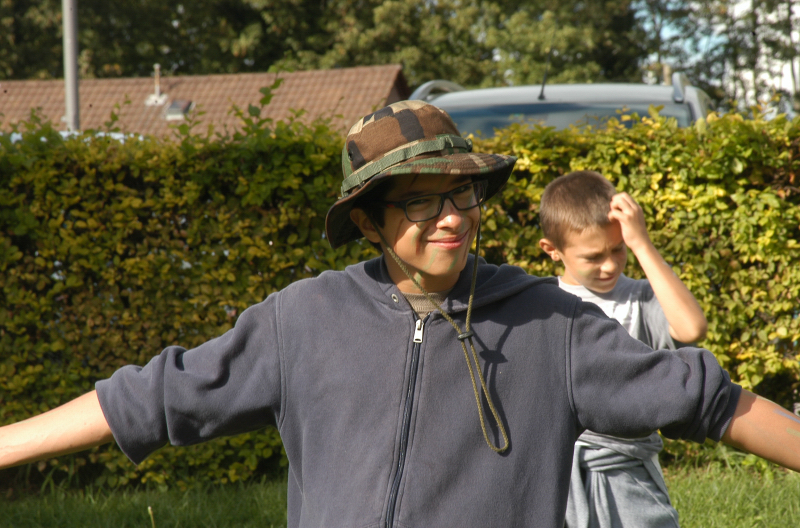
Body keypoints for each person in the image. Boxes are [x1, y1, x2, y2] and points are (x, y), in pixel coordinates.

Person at [1, 100, 799, 528]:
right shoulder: (303, 320)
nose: (449, 217)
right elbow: (151, 398)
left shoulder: (549, 324)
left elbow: (711, 400)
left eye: (462, 194)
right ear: (367, 221)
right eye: (418, 201)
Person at [538, 170, 708, 528]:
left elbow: (691, 328)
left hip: (626, 471)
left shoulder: (641, 298)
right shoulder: (540, 304)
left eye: (618, 249)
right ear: (552, 250)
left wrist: (642, 244)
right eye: (593, 257)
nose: (610, 264)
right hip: (554, 474)